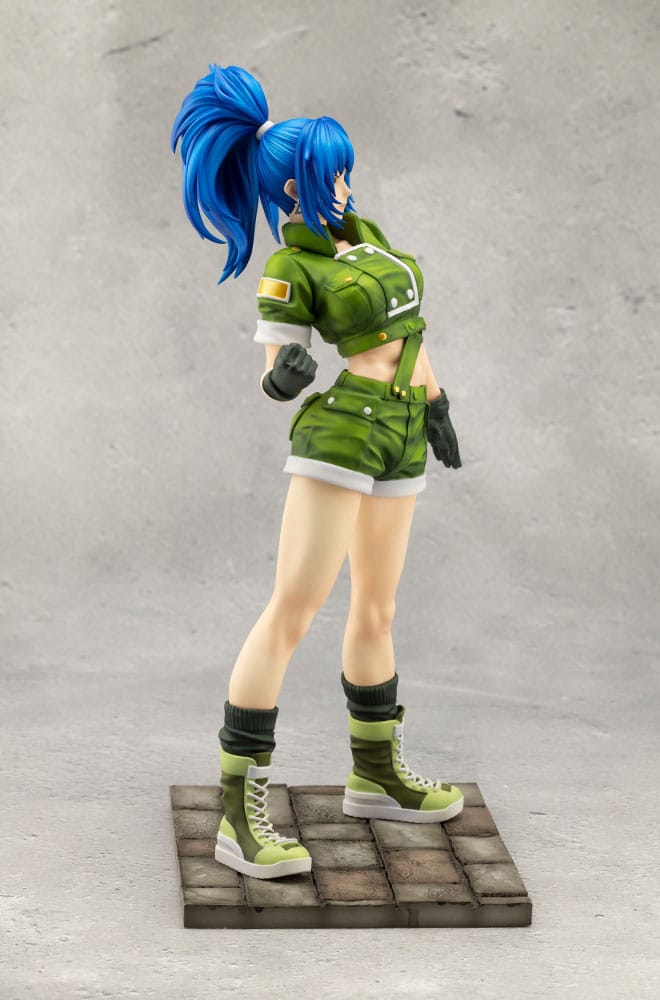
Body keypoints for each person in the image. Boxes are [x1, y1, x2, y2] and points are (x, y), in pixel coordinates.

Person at [171, 64, 464, 881]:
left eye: (344, 170)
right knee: (293, 610)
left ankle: (374, 774)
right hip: (341, 435)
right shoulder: (291, 267)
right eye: (329, 174)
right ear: (294, 187)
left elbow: (410, 333)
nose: (343, 183)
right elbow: (274, 366)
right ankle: (238, 814)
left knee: (377, 607)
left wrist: (436, 403)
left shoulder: (367, 238)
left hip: (402, 428)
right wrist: (283, 378)